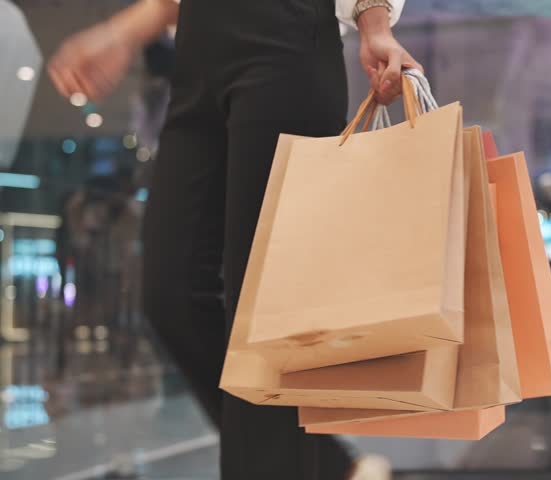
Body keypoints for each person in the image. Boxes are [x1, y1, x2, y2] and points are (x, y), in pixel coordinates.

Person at [48, 0, 422, 478]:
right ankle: (325, 466)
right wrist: (122, 31)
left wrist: (374, 21)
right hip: (198, 55)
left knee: (265, 323)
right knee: (171, 295)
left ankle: (310, 466)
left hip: (286, 41)